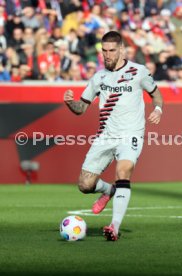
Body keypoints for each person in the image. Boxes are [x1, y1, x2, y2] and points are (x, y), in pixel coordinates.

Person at [63, 31, 163, 241]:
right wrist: (71, 103)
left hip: (131, 134)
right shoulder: (99, 77)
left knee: (123, 170)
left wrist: (158, 109)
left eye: (111, 51)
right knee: (85, 185)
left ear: (121, 50)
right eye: (104, 51)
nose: (107, 55)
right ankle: (109, 190)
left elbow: (156, 94)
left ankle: (114, 227)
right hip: (105, 136)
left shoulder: (138, 71)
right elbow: (82, 108)